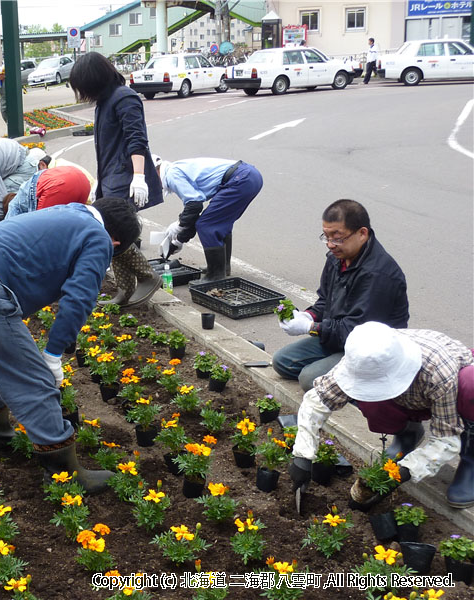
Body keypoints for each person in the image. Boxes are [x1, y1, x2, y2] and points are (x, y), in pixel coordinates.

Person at [0, 198, 141, 493]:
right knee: (35, 381)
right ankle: (63, 471)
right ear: (115, 243)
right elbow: (79, 298)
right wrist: (52, 355)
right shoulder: (97, 236)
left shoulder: (66, 210)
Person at [288, 322, 474, 509]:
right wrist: (303, 455)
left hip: (454, 391)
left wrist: (405, 471)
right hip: (412, 397)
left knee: (470, 386)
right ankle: (408, 434)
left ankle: (471, 462)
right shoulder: (364, 355)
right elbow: (317, 401)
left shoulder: (438, 372)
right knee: (371, 401)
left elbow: (445, 439)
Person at [272, 199, 409, 391]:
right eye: (326, 237)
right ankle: (343, 383)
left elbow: (355, 332)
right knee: (282, 361)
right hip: (338, 339)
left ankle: (370, 388)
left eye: (338, 238)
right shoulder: (338, 259)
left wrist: (311, 327)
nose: (330, 245)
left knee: (309, 379)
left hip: (370, 350)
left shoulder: (378, 274)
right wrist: (307, 316)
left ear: (362, 234)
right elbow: (325, 301)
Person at [69, 51, 163, 309]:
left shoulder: (125, 98)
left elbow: (137, 139)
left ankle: (147, 276)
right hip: (111, 178)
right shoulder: (104, 101)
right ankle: (125, 288)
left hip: (126, 178)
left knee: (112, 231)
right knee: (112, 232)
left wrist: (140, 177)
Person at [155, 155, 263, 281]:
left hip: (241, 179)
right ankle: (223, 267)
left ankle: (215, 275)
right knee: (220, 222)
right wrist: (178, 240)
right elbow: (194, 213)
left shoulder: (171, 175)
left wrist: (179, 225)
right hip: (250, 176)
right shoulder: (175, 168)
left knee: (207, 225)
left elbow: (194, 206)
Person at [3, 165, 91, 219]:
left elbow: (8, 233)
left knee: (43, 229)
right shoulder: (25, 191)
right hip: (82, 180)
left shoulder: (13, 206)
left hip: (57, 186)